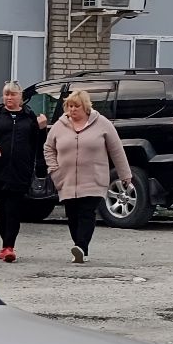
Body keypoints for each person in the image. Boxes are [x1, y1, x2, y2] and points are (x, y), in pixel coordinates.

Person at [43, 87, 131, 264]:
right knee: (72, 214)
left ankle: (81, 246)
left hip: (93, 179)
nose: (73, 110)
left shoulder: (102, 123)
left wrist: (125, 174)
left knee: (86, 212)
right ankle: (79, 247)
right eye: (70, 106)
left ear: (86, 107)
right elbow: (48, 148)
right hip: (66, 179)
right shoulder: (60, 125)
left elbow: (116, 150)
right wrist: (54, 169)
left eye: (76, 106)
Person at [0, 81, 45, 262]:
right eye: (6, 94)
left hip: (20, 170)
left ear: (20, 98)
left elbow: (38, 143)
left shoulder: (29, 116)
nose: (9, 98)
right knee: (3, 209)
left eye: (13, 95)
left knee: (14, 208)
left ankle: (9, 246)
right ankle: (4, 245)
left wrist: (42, 128)